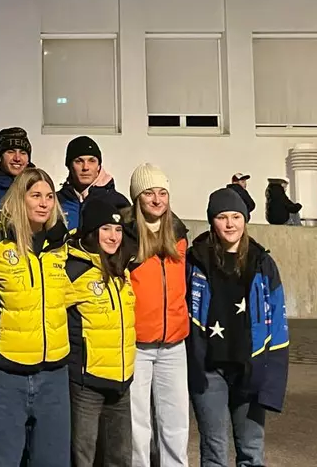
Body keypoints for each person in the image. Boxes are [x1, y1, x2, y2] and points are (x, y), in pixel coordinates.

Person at [187, 188, 290, 467]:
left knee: (251, 451)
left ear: (245, 220)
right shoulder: (194, 260)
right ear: (212, 221)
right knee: (214, 452)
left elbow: (278, 325)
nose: (230, 224)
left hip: (251, 369)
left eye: (236, 216)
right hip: (210, 370)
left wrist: (273, 377)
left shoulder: (263, 263)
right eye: (222, 217)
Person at [0, 167, 72, 467]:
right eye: (36, 196)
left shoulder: (62, 247)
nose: (44, 203)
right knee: (5, 460)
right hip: (7, 375)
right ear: (20, 199)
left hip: (54, 374)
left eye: (49, 196)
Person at [121, 164, 189, 467]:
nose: (157, 199)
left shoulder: (179, 233)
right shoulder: (125, 236)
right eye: (149, 193)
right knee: (138, 425)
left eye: (162, 192)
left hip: (174, 344)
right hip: (137, 344)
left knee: (176, 421)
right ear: (137, 197)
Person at [66, 197, 136, 467]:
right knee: (83, 456)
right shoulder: (74, 270)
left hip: (121, 380)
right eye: (106, 229)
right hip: (87, 382)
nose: (114, 236)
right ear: (92, 231)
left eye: (118, 230)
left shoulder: (121, 269)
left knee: (119, 456)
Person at [57, 135, 130, 236]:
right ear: (69, 166)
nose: (85, 167)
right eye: (79, 161)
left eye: (92, 161)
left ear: (99, 166)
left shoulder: (118, 202)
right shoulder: (56, 201)